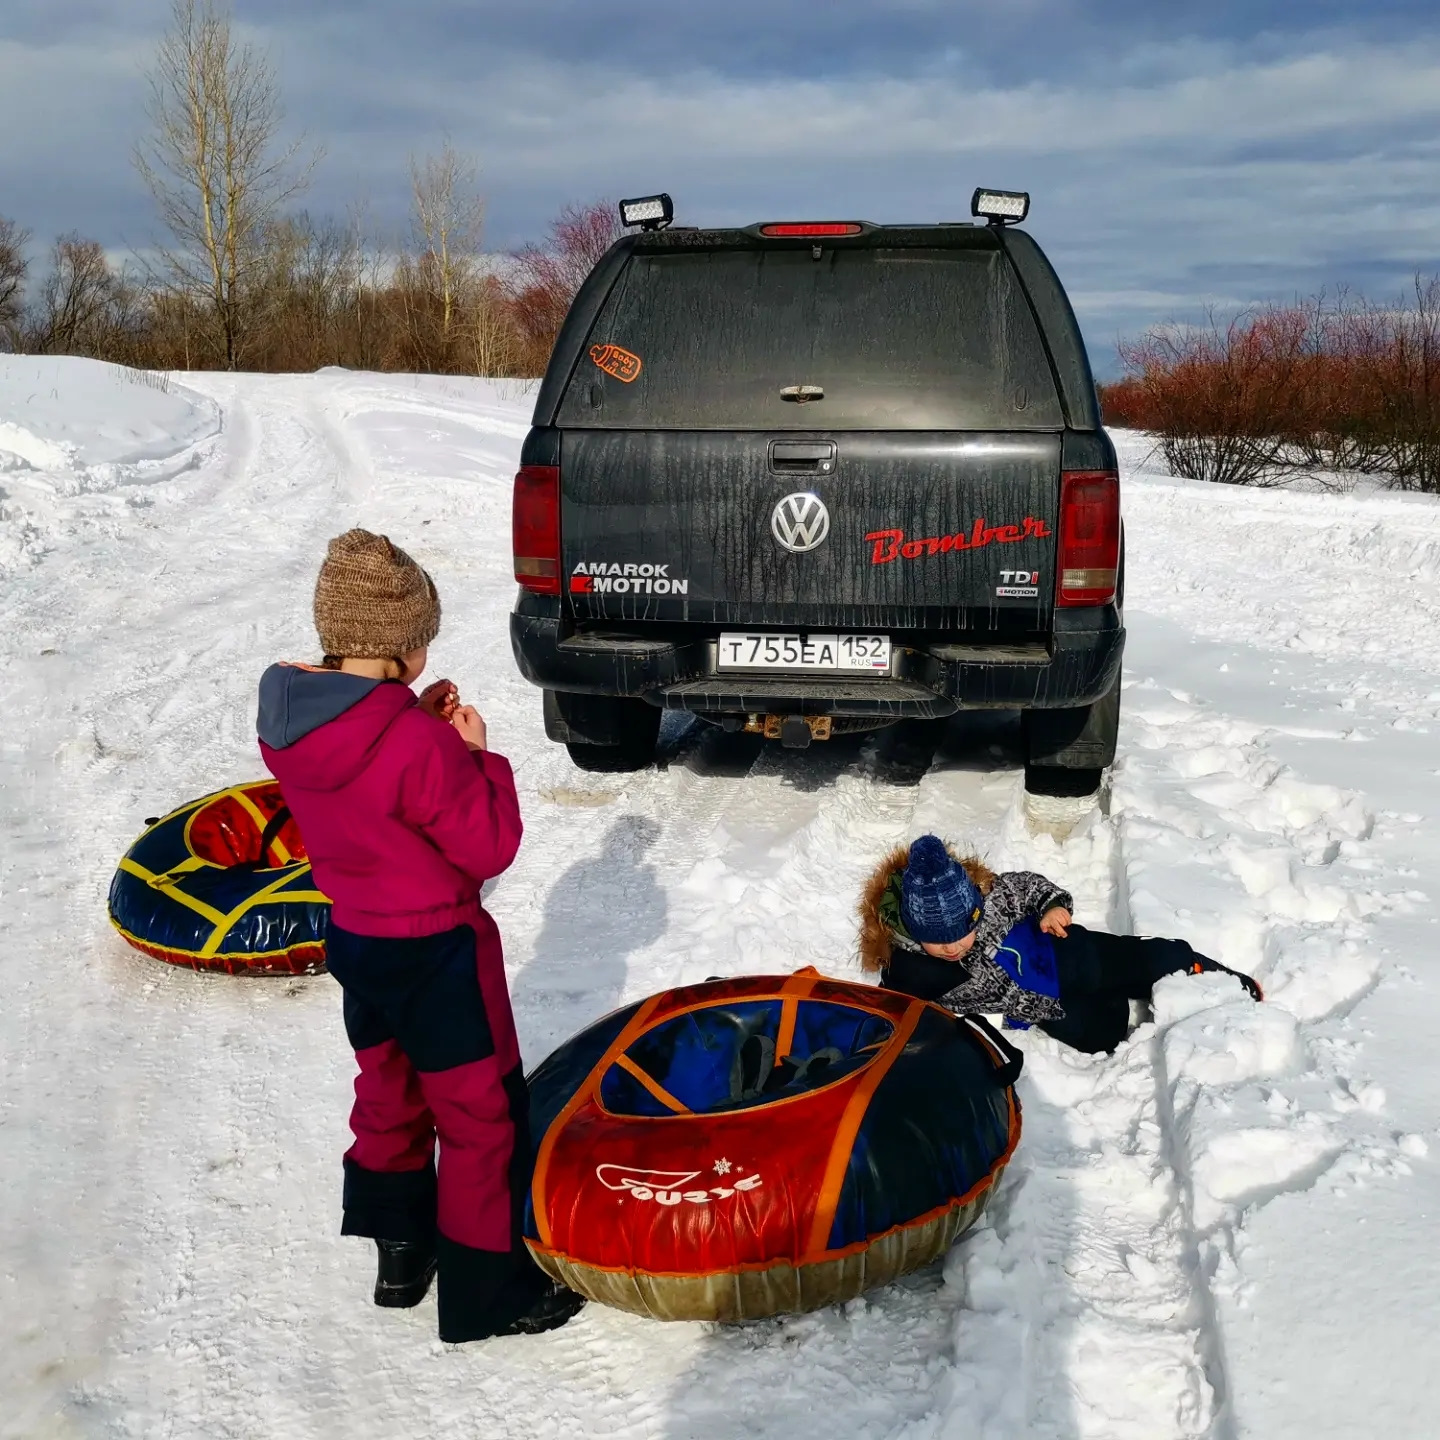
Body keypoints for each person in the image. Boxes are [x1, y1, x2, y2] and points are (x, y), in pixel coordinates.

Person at [256, 528, 582, 1342]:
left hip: (358, 943)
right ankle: (486, 1294)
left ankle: (400, 1257)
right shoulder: (418, 745)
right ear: (401, 647)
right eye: (422, 639)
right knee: (479, 1121)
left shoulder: (290, 722)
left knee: (389, 1092)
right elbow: (488, 846)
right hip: (438, 954)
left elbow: (369, 766)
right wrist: (474, 755)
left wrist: (416, 722)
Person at [858, 835, 1261, 1054]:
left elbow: (1031, 887)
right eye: (936, 940)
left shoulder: (994, 895)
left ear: (976, 908)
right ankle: (1128, 1010)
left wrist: (1052, 906)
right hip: (1042, 1005)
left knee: (1145, 960)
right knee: (1098, 1037)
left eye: (961, 932)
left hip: (1067, 952)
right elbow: (892, 1011)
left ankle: (1208, 974)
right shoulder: (910, 969)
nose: (951, 948)